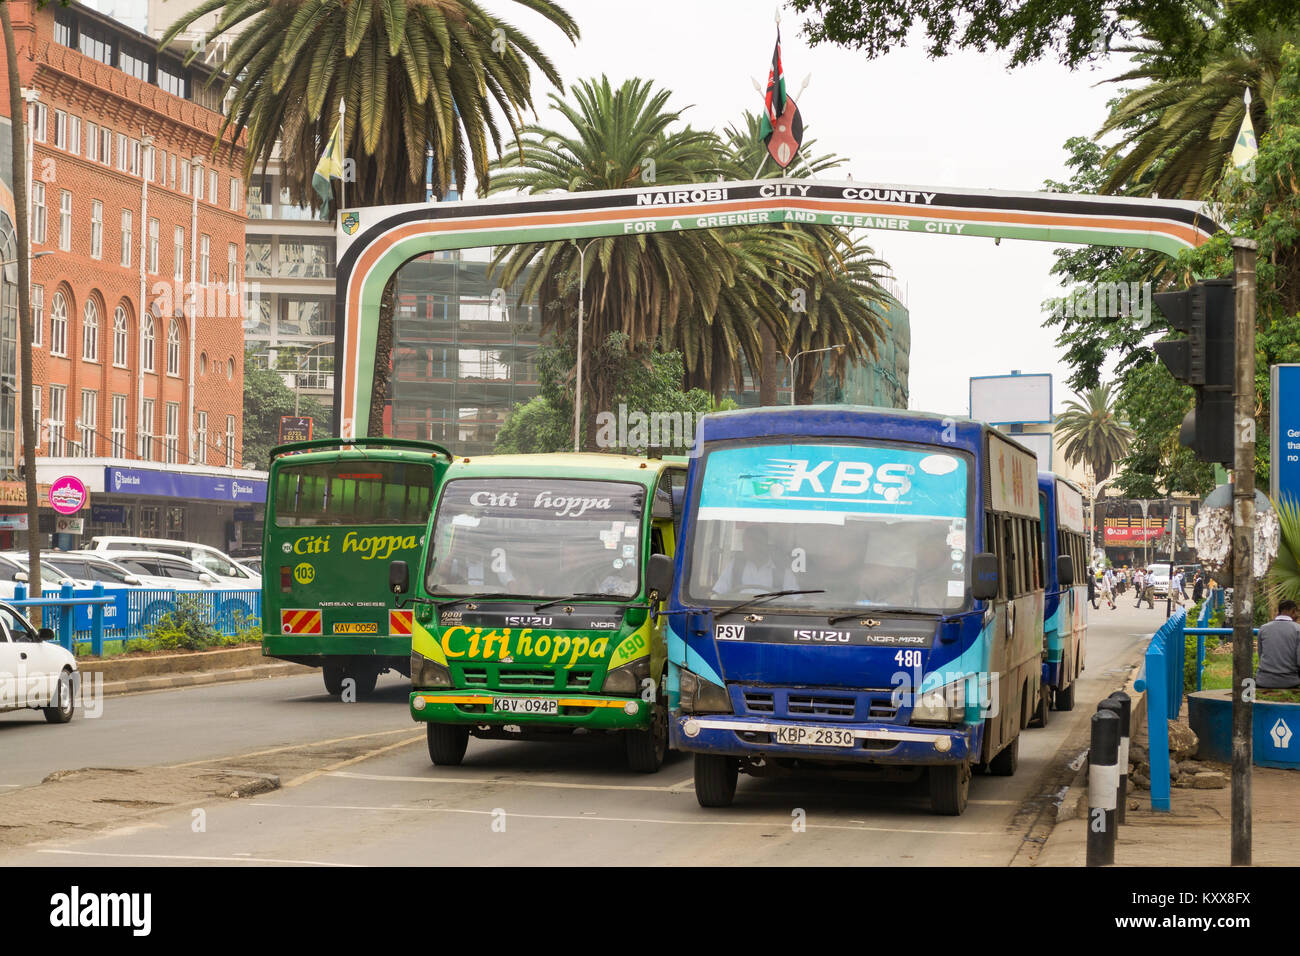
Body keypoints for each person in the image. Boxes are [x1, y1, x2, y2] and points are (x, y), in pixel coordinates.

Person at [712, 525, 797, 598]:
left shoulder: (781, 568)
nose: (746, 547)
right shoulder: (736, 564)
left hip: (772, 614)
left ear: (764, 544)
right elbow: (718, 593)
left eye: (754, 542)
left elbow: (794, 599)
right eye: (745, 543)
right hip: (737, 612)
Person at [1255, 600, 1300, 689]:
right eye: (1297, 612)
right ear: (1293, 611)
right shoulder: (1298, 629)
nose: (1298, 616)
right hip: (1290, 682)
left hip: (1263, 681)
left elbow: (1261, 655)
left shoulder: (1263, 628)